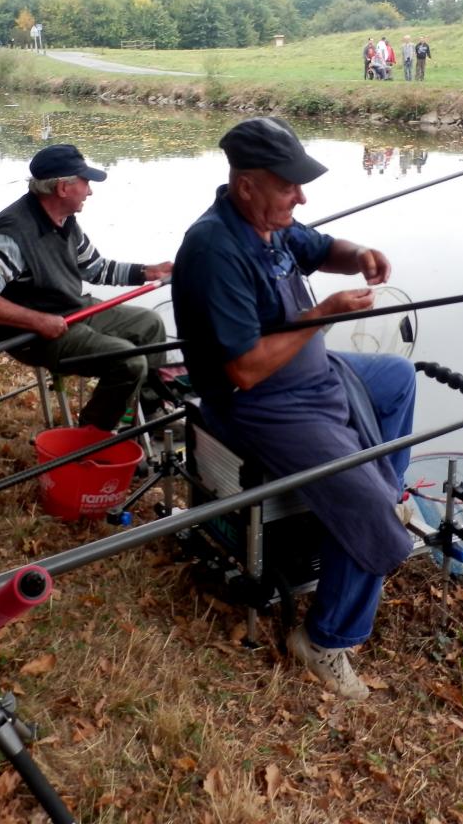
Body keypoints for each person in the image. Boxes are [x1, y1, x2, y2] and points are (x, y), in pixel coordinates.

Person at [172, 117, 417, 700]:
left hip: (316, 376)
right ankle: (327, 639)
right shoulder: (214, 249)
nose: (300, 197)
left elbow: (319, 247)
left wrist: (361, 254)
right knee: (366, 505)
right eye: (289, 186)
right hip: (262, 404)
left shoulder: (271, 224)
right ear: (246, 184)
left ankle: (384, 492)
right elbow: (245, 369)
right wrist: (322, 314)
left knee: (397, 379)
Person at [0, 144, 173, 432]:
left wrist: (148, 271)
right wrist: (38, 321)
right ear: (63, 188)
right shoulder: (15, 233)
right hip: (34, 335)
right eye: (85, 182)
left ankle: (148, 411)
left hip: (74, 310)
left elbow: (96, 268)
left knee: (150, 324)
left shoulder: (66, 220)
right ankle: (92, 434)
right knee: (129, 362)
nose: (90, 191)